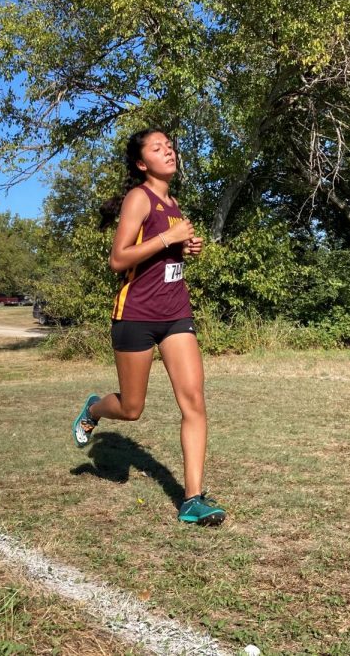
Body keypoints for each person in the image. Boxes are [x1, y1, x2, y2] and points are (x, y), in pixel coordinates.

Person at [71, 128, 226, 526]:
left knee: (194, 401)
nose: (168, 151)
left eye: (170, 145)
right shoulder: (139, 198)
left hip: (176, 313)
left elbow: (165, 261)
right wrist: (168, 238)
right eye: (157, 148)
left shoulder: (173, 203)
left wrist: (185, 249)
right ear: (142, 163)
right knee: (131, 408)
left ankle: (193, 498)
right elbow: (119, 259)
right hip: (135, 315)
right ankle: (94, 408)